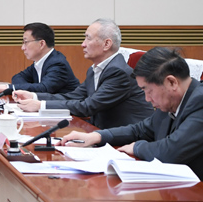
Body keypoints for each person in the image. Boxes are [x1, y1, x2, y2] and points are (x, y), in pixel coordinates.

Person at [60, 47, 203, 178]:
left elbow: (171, 152)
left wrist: (136, 147)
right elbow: (140, 130)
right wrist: (96, 136)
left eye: (148, 90)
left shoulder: (199, 101)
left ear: (171, 82)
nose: (147, 99)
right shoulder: (170, 101)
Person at [13, 18, 153, 129]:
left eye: (88, 38)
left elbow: (88, 106)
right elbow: (73, 96)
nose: (83, 44)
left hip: (127, 141)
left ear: (106, 44)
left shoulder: (118, 72)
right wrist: (34, 96)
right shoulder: (94, 70)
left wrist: (40, 105)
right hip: (102, 132)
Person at [0, 22, 80, 95]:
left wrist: (7, 88)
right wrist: (24, 89)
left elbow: (44, 89)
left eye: (26, 42)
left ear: (41, 44)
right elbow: (17, 77)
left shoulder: (57, 64)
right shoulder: (40, 62)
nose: (22, 48)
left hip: (69, 114)